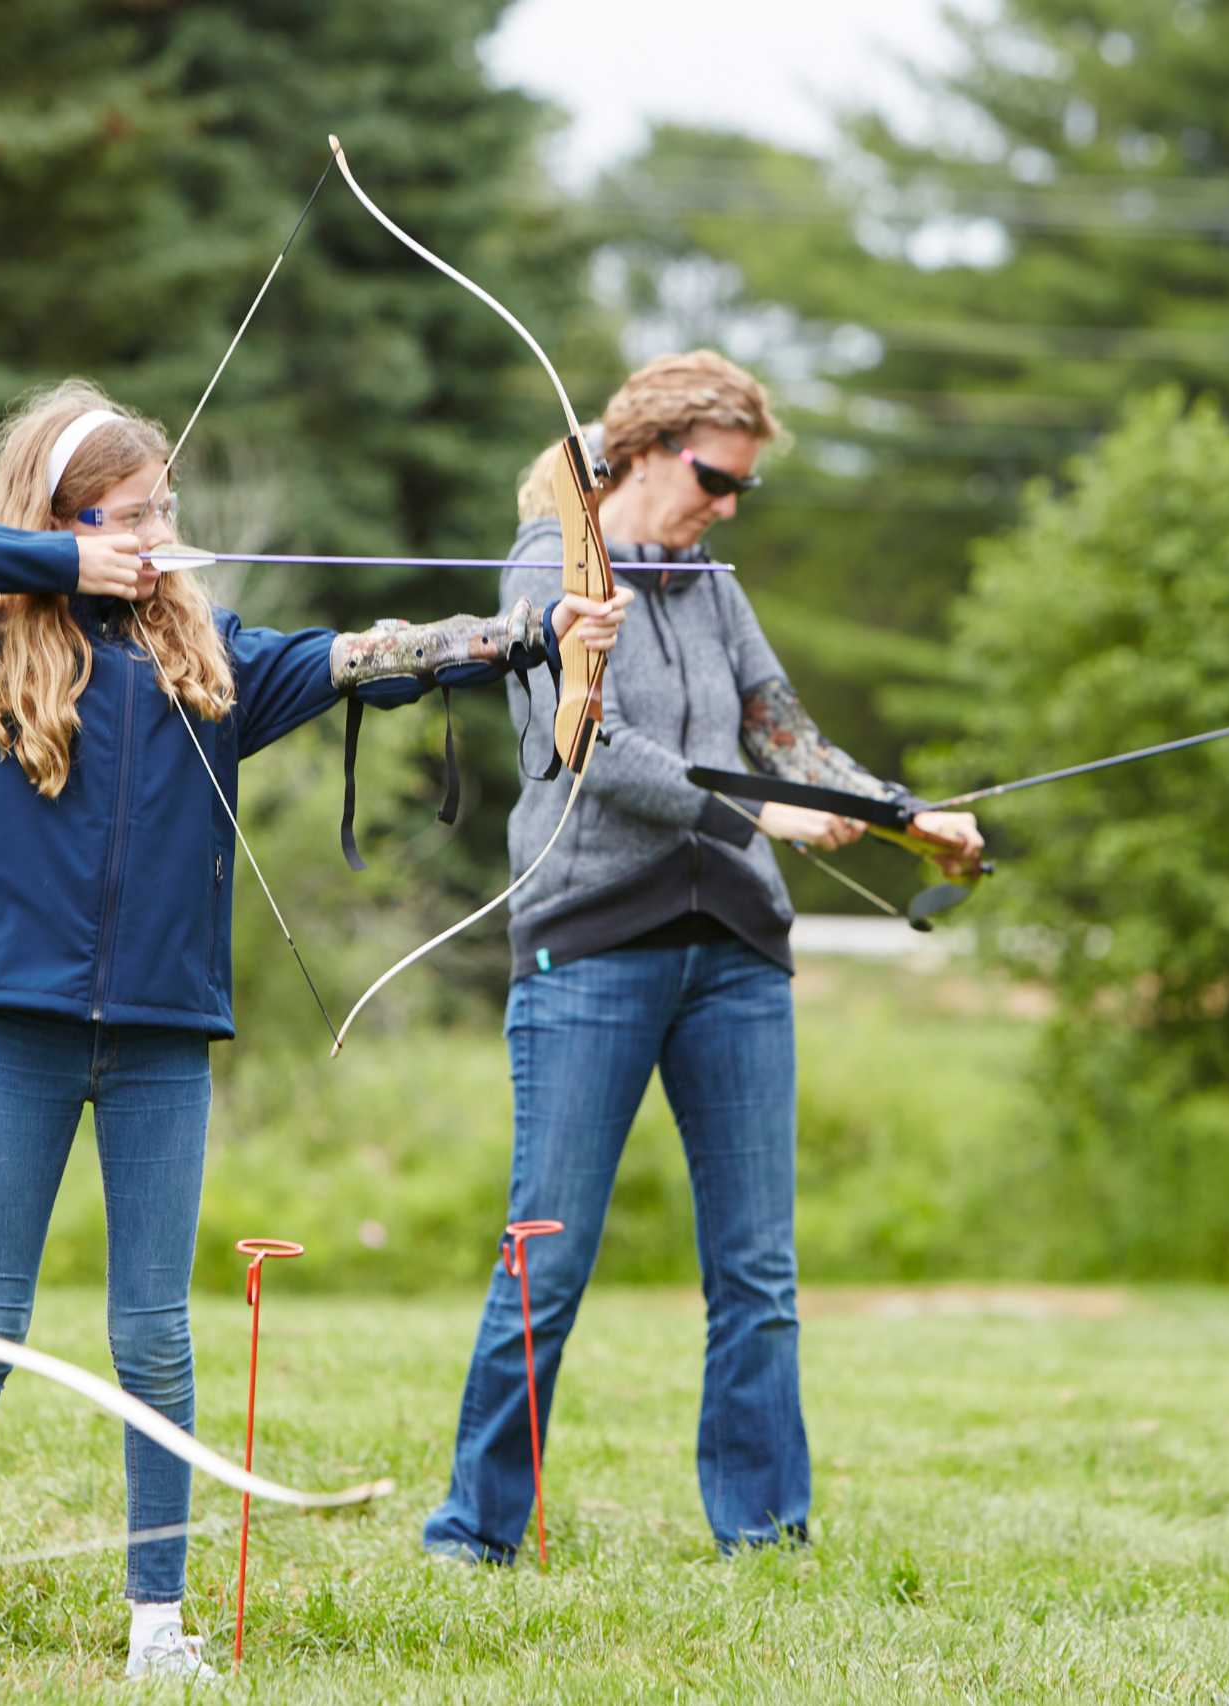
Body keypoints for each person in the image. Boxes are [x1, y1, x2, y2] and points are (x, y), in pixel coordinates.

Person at [0, 382, 631, 1689]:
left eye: (166, 509)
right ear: (66, 519)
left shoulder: (219, 665)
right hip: (24, 1036)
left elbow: (378, 652)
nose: (161, 532)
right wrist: (60, 562)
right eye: (130, 515)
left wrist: (537, 628)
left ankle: (160, 1619)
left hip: (160, 1044)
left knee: (154, 1334)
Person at [422, 352, 985, 1564]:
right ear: (652, 443)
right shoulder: (547, 565)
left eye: (743, 488)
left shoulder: (710, 579)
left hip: (734, 951)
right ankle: (474, 1534)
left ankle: (767, 1532)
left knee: (757, 1270)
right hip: (590, 946)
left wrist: (900, 813)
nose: (729, 504)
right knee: (547, 1258)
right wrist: (759, 816)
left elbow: (780, 724)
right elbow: (590, 745)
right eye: (719, 477)